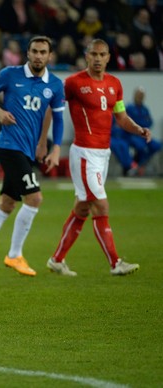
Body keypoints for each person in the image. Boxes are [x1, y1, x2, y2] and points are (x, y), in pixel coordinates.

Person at [0, 36, 65, 278]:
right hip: (9, 146)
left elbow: (57, 118)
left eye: (43, 52)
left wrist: (53, 147)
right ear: (27, 53)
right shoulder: (10, 74)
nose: (39, 56)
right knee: (35, 198)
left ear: (50, 56)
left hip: (28, 149)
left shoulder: (55, 85)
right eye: (35, 51)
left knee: (7, 203)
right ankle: (15, 254)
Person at [46, 39, 151, 277]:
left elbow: (121, 117)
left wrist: (139, 129)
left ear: (108, 58)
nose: (97, 58)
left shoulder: (115, 83)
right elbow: (53, 106)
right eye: (93, 54)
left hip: (103, 154)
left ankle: (57, 259)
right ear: (86, 56)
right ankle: (115, 263)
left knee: (82, 208)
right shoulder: (73, 83)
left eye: (101, 54)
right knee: (101, 204)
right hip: (84, 153)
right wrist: (45, 139)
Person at [123, 87, 161, 175]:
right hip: (132, 135)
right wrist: (141, 124)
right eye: (138, 95)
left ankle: (141, 164)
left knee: (157, 145)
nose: (140, 97)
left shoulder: (145, 109)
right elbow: (131, 122)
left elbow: (150, 122)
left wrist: (141, 123)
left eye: (142, 96)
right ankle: (134, 165)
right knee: (142, 147)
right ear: (134, 96)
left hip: (144, 135)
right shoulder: (129, 108)